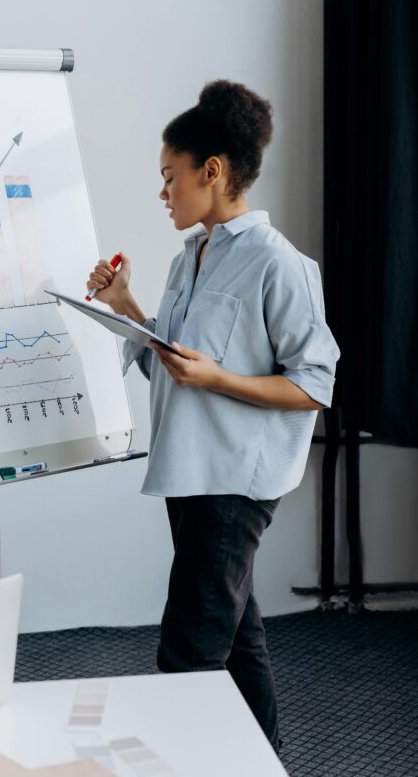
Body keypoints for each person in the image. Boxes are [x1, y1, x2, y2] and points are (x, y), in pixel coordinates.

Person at [86, 79, 340, 756]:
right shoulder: (186, 259)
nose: (163, 191)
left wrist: (217, 377)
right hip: (189, 470)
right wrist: (128, 306)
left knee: (190, 650)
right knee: (238, 633)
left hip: (235, 482)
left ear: (214, 171)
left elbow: (315, 385)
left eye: (170, 177)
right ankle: (265, 760)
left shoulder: (280, 265)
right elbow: (171, 362)